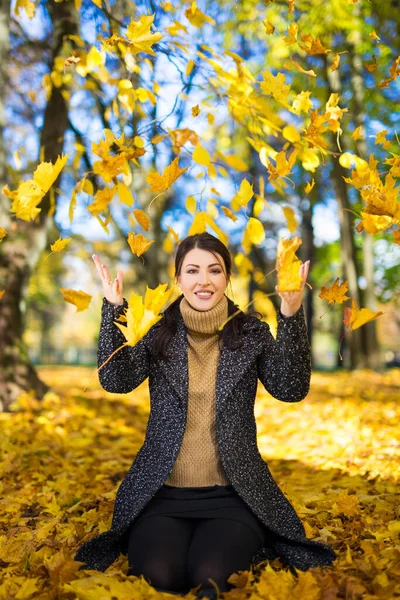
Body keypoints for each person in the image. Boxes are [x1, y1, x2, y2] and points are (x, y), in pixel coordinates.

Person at [74, 232, 336, 599]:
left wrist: (290, 314)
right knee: (161, 576)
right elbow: (116, 381)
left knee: (210, 576)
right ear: (179, 278)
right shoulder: (156, 331)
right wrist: (113, 307)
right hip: (162, 494)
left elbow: (290, 389)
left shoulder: (251, 332)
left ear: (227, 278)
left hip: (232, 494)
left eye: (214, 270)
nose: (204, 280)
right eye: (193, 270)